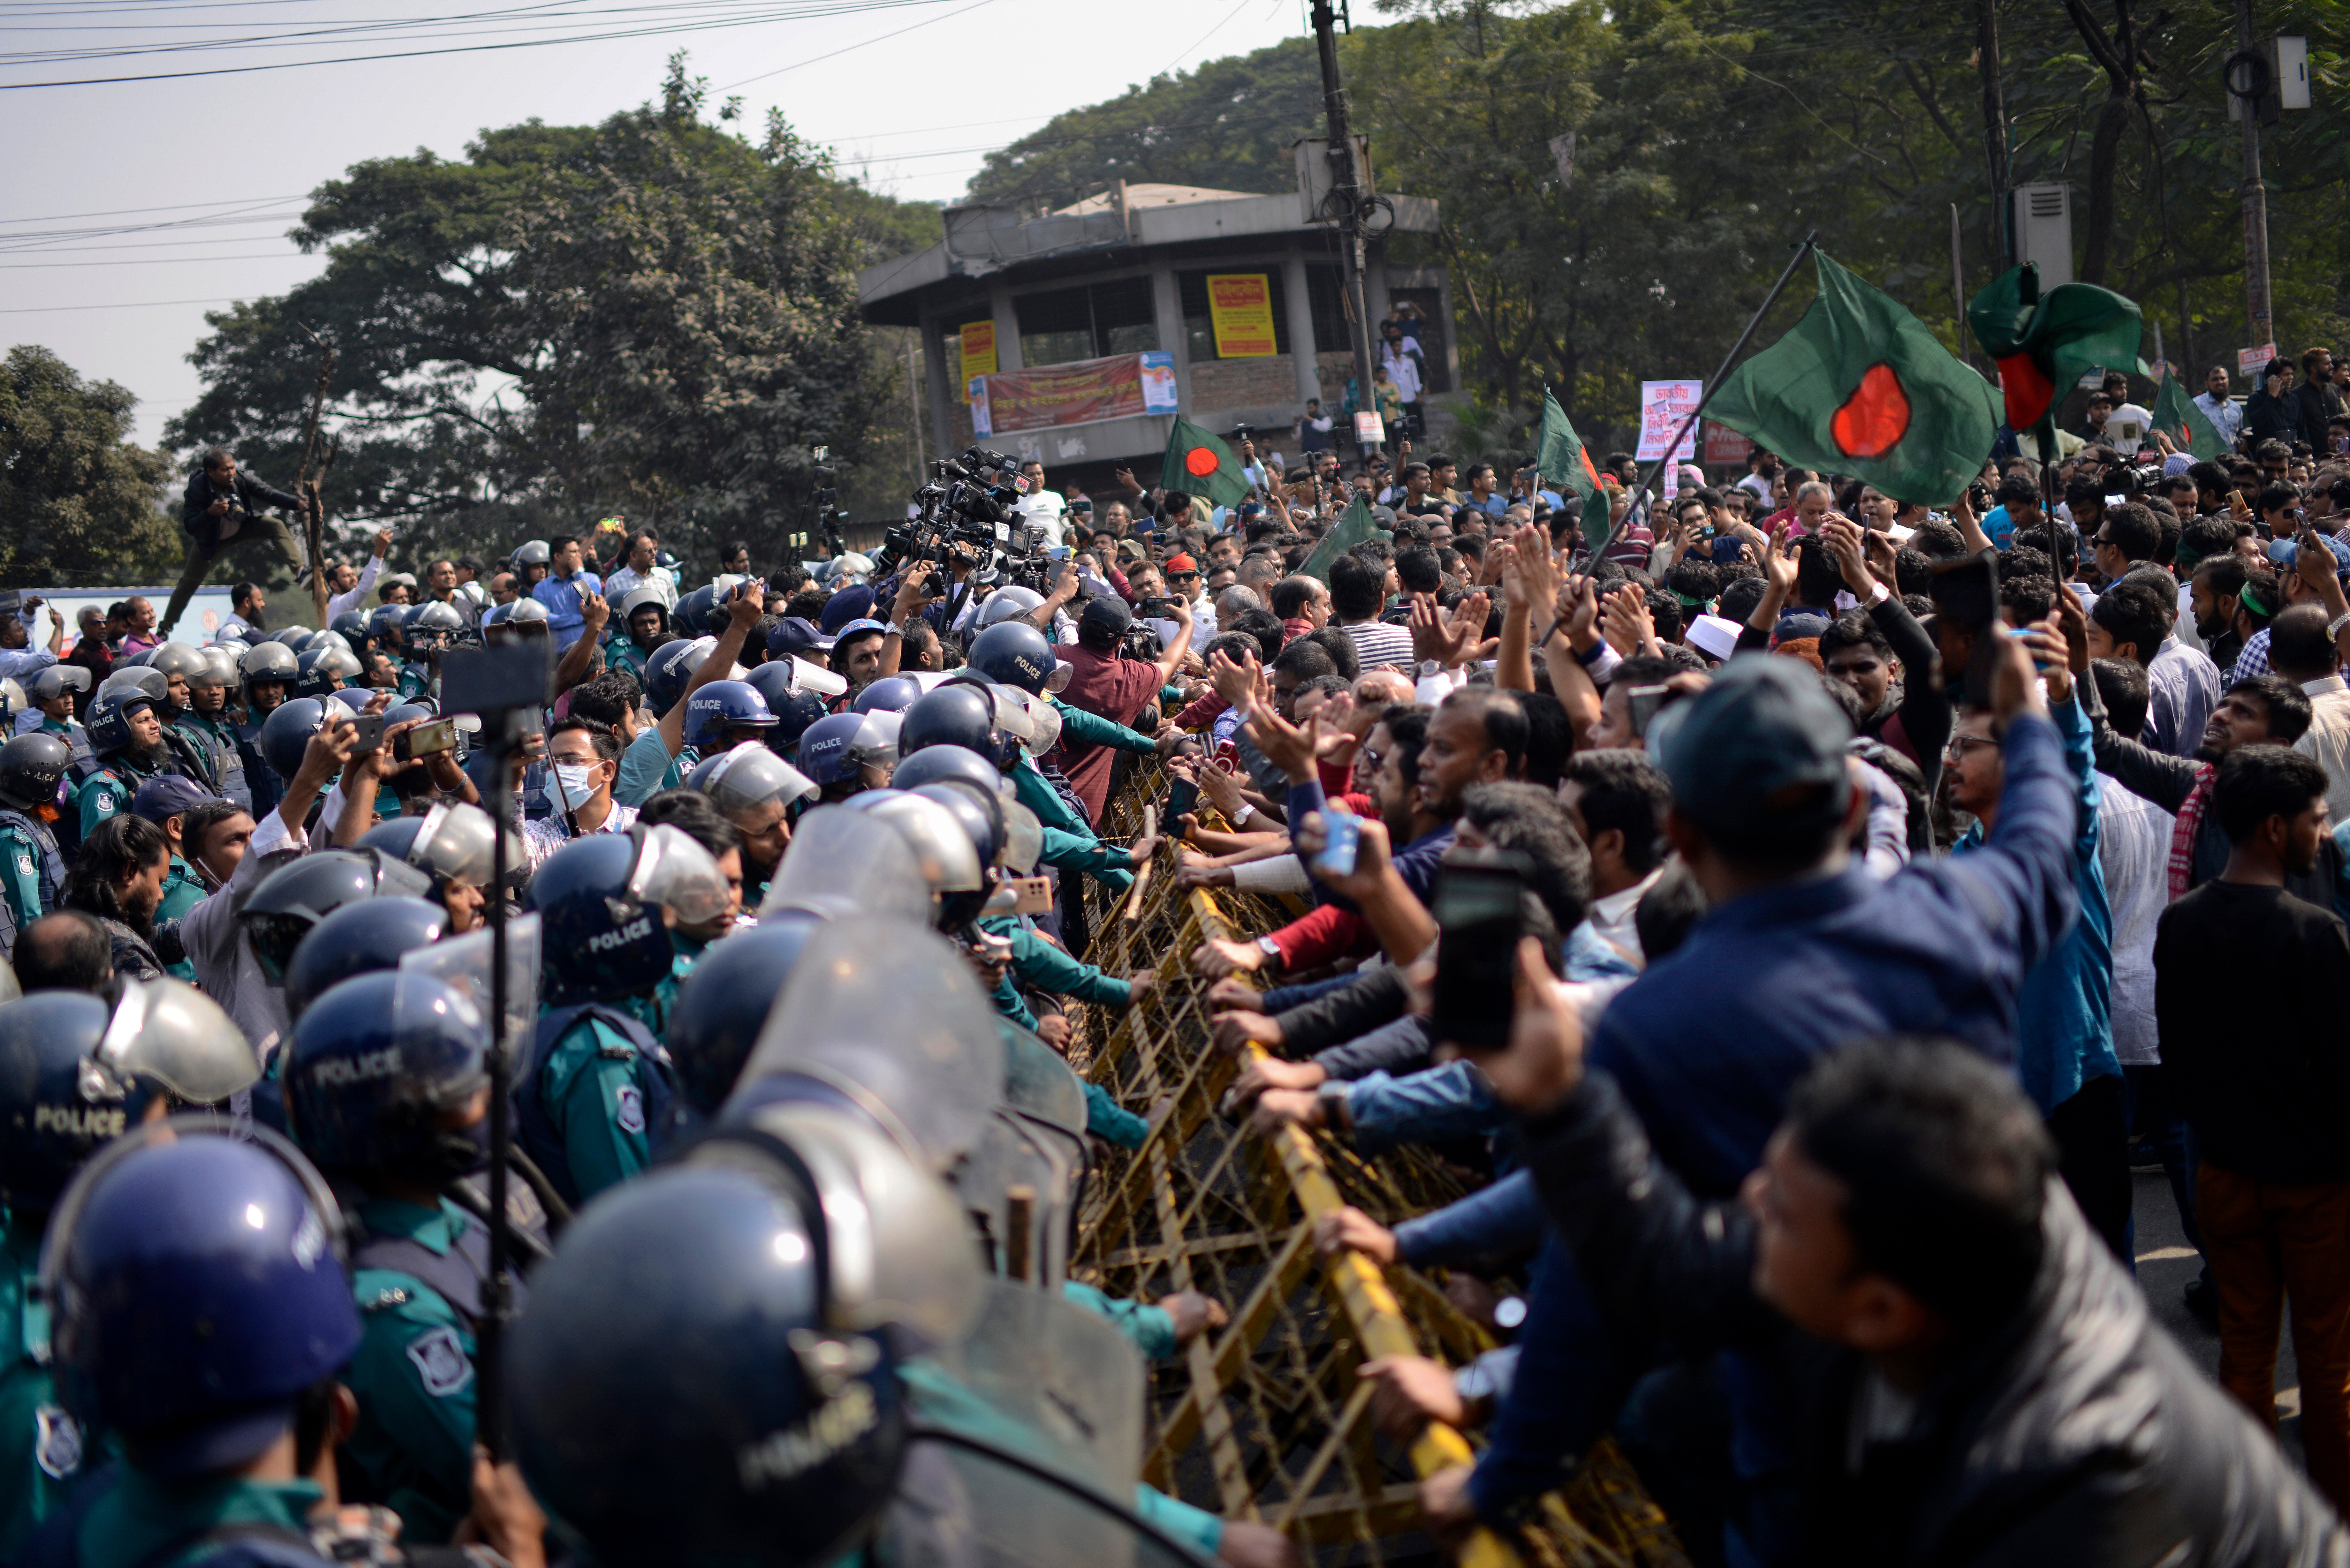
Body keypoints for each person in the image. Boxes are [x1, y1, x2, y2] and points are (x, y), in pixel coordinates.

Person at [1475, 1014, 2350, 1565]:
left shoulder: (2053, 1486)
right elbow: (1671, 1265)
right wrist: (1479, 1380)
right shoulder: (1935, 1236)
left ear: (1878, 1315)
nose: (1747, 1206)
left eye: (1780, 1210)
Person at [2155, 743, 2350, 1513]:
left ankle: (2254, 1524)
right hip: (2315, 1188)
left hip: (2225, 1175)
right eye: (2314, 818)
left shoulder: (2181, 921)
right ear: (2274, 827)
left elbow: (2177, 1060)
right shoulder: (2316, 933)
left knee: (2243, 1355)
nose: (2323, 831)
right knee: (2326, 1364)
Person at [279, 968, 507, 1544]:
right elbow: (504, 1475)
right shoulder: (390, 1305)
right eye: (455, 1088)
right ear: (397, 1121)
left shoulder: (447, 1213)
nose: (481, 1098)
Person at [1051, 595, 1186, 824]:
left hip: (1028, 795)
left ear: (1080, 622)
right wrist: (1187, 625)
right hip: (1079, 815)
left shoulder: (1050, 658)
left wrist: (1058, 597)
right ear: (1121, 640)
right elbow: (1170, 663)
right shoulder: (1132, 677)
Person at [163, 448, 314, 636]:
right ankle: (165, 627)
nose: (231, 473)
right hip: (212, 540)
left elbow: (268, 493)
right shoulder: (197, 488)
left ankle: (300, 572)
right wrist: (209, 513)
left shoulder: (240, 479)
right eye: (225, 470)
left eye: (232, 468)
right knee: (189, 582)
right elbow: (190, 526)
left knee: (275, 526)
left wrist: (297, 503)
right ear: (211, 472)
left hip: (241, 526)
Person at [523, 718, 637, 871]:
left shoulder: (641, 827)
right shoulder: (538, 836)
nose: (557, 771)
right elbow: (514, 869)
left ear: (607, 771)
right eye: (550, 764)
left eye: (571, 761)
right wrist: (514, 779)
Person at [529, 535, 600, 651]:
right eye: (574, 552)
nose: (579, 556)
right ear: (558, 556)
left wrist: (579, 574)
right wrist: (580, 618)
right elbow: (545, 620)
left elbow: (594, 609)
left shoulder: (592, 579)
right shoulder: (541, 588)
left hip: (591, 650)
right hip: (560, 653)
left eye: (578, 552)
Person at [2196, 364, 2244, 449]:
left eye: (2223, 378)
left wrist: (2244, 440)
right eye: (2215, 380)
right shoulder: (2196, 406)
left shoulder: (2235, 407)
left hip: (2233, 456)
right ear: (2207, 384)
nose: (2220, 382)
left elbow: (2240, 433)